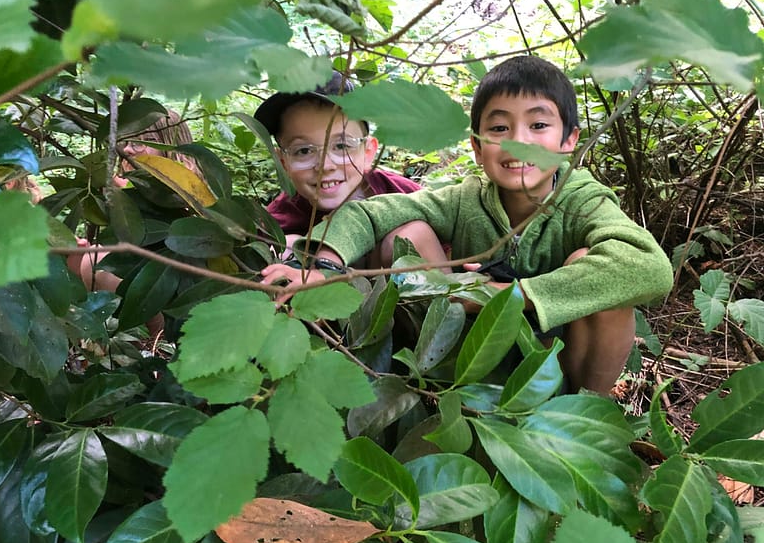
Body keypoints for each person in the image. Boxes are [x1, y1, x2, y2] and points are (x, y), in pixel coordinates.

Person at [260, 55, 674, 396]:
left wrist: (504, 295)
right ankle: (442, 382)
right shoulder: (464, 199)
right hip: (479, 351)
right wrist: (325, 265)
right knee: (408, 232)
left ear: (569, 140)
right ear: (476, 146)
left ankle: (586, 411)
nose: (517, 141)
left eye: (539, 125)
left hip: (557, 356)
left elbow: (649, 267)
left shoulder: (583, 200)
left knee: (602, 272)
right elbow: (372, 212)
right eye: (499, 128)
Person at [254, 70, 423, 259]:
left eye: (342, 146)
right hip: (324, 286)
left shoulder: (402, 194)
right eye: (303, 151)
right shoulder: (277, 223)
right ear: (283, 162)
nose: (325, 166)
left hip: (407, 283)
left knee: (413, 233)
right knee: (286, 248)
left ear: (368, 152)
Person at [69, 109, 197, 335]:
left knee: (95, 261)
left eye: (140, 142)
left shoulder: (186, 185)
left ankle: (160, 338)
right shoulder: (125, 190)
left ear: (170, 146)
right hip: (142, 286)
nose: (128, 149)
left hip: (178, 291)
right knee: (86, 260)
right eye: (126, 142)